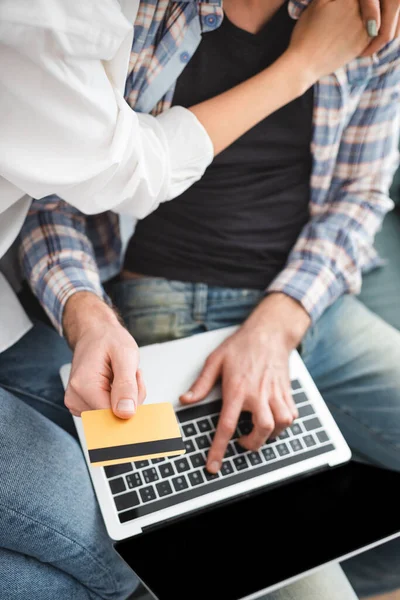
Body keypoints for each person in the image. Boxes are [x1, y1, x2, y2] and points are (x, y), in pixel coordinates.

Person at [1, 1, 399, 599]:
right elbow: (51, 193)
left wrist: (278, 323)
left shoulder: (370, 19)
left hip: (307, 305)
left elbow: (362, 194)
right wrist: (85, 312)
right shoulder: (128, 14)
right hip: (164, 315)